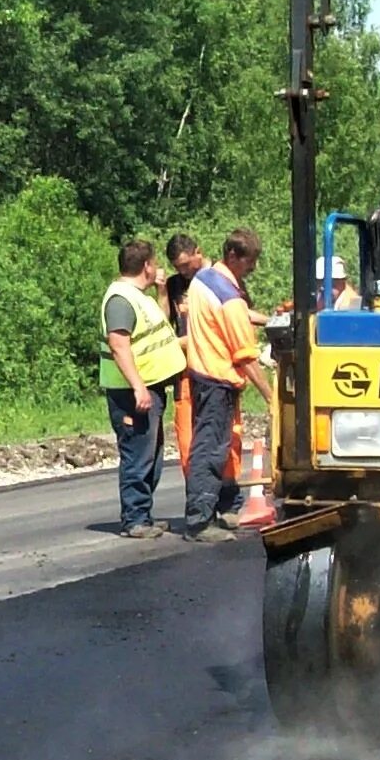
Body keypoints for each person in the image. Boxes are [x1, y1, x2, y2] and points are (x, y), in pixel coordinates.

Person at [180, 228, 279, 534]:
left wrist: (267, 318)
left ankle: (216, 508)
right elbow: (246, 356)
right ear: (233, 256)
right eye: (250, 261)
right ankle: (199, 521)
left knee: (211, 448)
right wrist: (269, 395)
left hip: (201, 375)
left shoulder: (203, 280)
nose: (252, 268)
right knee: (210, 450)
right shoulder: (229, 298)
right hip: (218, 380)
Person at [100, 239, 186, 537]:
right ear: (147, 266)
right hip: (131, 392)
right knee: (137, 455)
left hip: (150, 388)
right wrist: (138, 387)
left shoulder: (140, 296)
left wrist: (162, 292)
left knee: (152, 455)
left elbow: (159, 325)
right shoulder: (121, 300)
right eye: (155, 262)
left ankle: (143, 515)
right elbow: (119, 346)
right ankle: (135, 519)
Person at [163, 234, 206, 478]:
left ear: (197, 252)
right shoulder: (174, 285)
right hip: (185, 370)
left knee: (219, 432)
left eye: (186, 264)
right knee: (186, 435)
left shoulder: (217, 279)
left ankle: (228, 493)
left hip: (214, 367)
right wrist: (161, 291)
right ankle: (195, 488)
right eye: (178, 267)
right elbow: (164, 323)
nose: (183, 271)